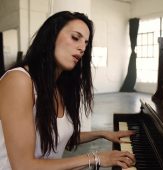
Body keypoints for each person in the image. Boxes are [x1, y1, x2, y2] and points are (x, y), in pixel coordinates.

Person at [0, 11, 135, 170]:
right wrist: (96, 158)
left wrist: (102, 134)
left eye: (86, 43)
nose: (82, 48)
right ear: (51, 36)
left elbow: (60, 138)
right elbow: (23, 166)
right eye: (75, 37)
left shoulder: (58, 87)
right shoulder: (19, 80)